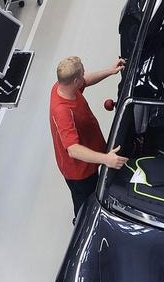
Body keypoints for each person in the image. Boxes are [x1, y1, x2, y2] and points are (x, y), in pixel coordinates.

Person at [50, 56, 128, 217]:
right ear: (75, 81)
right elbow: (73, 150)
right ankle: (81, 222)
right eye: (82, 74)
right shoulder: (62, 111)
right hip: (79, 170)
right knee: (86, 203)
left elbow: (87, 80)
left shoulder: (64, 86)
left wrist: (110, 71)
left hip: (92, 149)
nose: (85, 75)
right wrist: (106, 159)